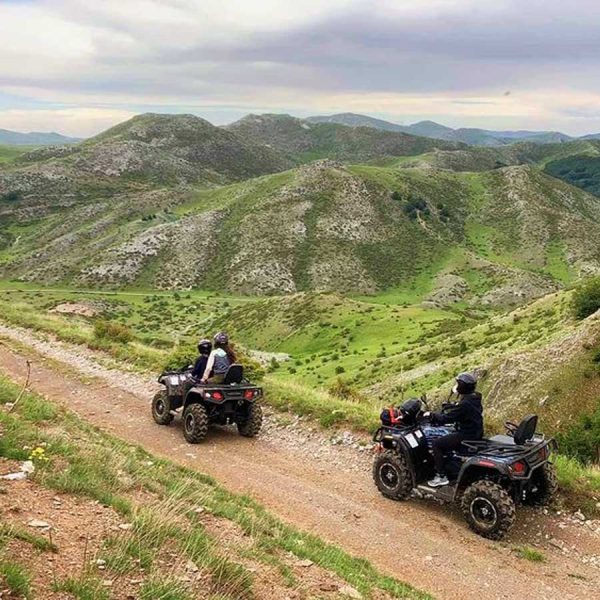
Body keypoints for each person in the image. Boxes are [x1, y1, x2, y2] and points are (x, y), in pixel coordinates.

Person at [427, 372, 484, 487]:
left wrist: (432, 415)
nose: (457, 386)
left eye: (458, 384)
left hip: (466, 434)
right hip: (476, 431)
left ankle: (441, 476)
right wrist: (453, 406)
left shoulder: (465, 404)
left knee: (437, 444)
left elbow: (446, 418)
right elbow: (462, 410)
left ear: (463, 386)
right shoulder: (475, 397)